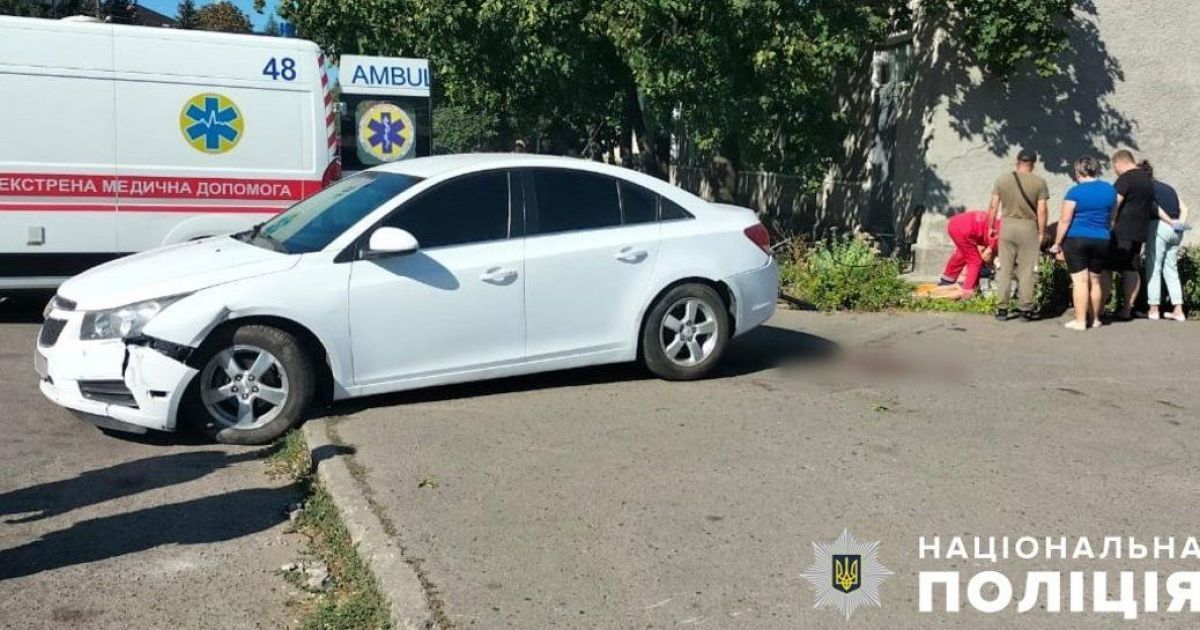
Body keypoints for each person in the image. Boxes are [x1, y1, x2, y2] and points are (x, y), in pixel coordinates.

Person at [1049, 157, 1116, 331]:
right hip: (1102, 238)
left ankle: (1080, 321)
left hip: (1077, 238)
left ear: (1079, 171)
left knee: (1080, 281)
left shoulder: (1075, 192)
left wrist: (1057, 243)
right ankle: (1095, 319)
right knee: (1095, 280)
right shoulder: (1110, 190)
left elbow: (1065, 220)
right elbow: (1112, 218)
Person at [986, 149, 1049, 321]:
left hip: (1007, 226)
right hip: (1028, 227)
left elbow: (993, 205)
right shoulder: (1039, 182)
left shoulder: (1002, 179)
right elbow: (1042, 209)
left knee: (1005, 269)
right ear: (1033, 164)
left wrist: (990, 226)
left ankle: (1002, 309)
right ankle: (1025, 309)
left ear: (1017, 161)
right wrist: (1042, 232)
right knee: (1026, 270)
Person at [1105, 150, 1156, 321]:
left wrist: (1110, 223)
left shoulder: (1126, 178)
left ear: (1120, 162)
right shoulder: (1147, 180)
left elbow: (1115, 202)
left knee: (1107, 268)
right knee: (1132, 268)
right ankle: (1127, 309)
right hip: (1139, 231)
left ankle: (1099, 308)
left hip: (1121, 231)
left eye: (1115, 168)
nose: (1116, 171)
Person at [1144, 173, 1190, 321]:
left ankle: (1153, 309)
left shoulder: (1148, 188)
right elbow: (1185, 208)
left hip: (1159, 226)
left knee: (1153, 267)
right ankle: (1178, 311)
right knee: (1171, 269)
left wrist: (1169, 222)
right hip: (1177, 230)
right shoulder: (1168, 188)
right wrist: (1178, 225)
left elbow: (1154, 207)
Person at [939, 210, 999, 297]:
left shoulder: (1003, 224)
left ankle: (946, 282)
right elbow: (987, 254)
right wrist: (989, 266)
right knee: (975, 261)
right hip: (965, 229)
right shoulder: (1002, 236)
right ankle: (967, 293)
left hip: (955, 223)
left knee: (962, 255)